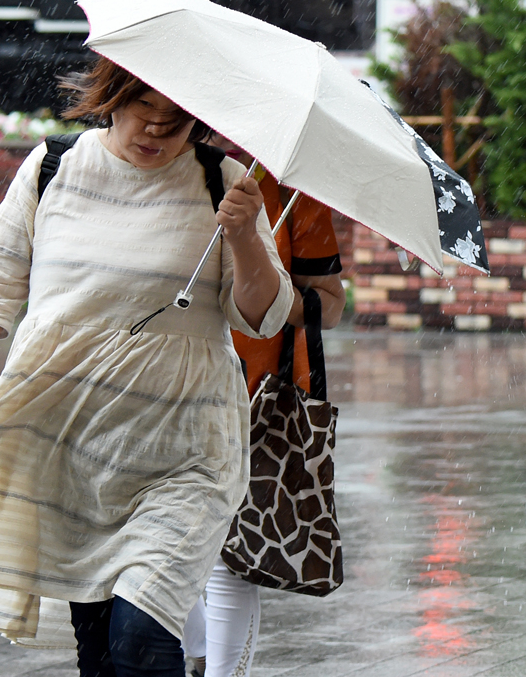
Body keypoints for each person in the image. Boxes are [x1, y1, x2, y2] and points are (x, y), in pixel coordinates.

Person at [0, 57, 294, 677]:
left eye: (177, 123)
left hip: (184, 453)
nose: (157, 133)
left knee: (143, 628)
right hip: (71, 442)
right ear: (113, 98)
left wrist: (246, 236)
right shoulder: (53, 167)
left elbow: (262, 317)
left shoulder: (224, 182)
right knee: (100, 646)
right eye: (146, 112)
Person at [181, 134, 346, 677]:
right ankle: (196, 654)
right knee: (161, 540)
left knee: (230, 559)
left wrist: (264, 282)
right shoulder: (164, 162)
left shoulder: (293, 185)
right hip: (159, 379)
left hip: (254, 394)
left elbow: (330, 304)